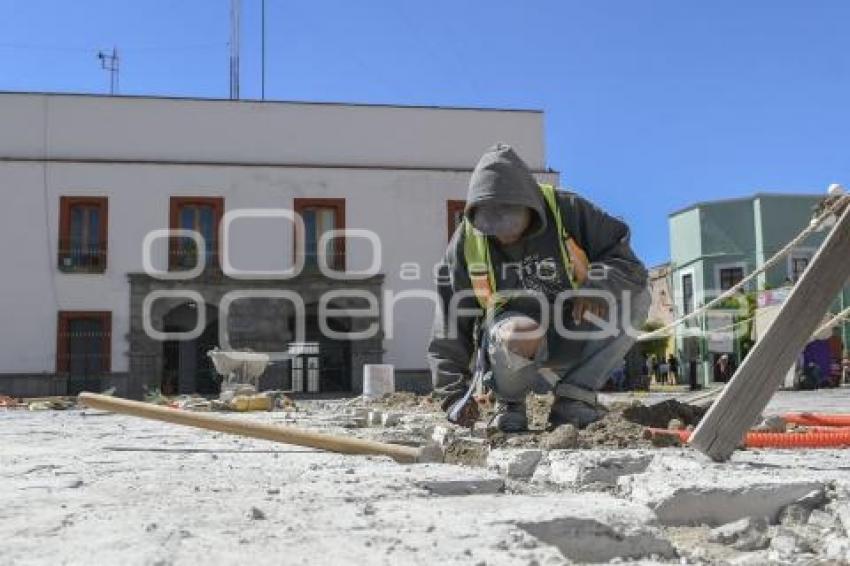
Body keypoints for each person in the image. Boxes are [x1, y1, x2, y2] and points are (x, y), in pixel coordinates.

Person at [428, 144, 650, 432]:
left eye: (510, 226)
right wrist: (453, 396)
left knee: (637, 297)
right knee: (521, 330)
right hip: (510, 346)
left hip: (575, 328)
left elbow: (630, 267)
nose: (504, 237)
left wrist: (597, 284)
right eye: (493, 229)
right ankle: (509, 404)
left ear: (530, 208)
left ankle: (574, 400)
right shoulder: (467, 240)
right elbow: (449, 321)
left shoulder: (567, 210)